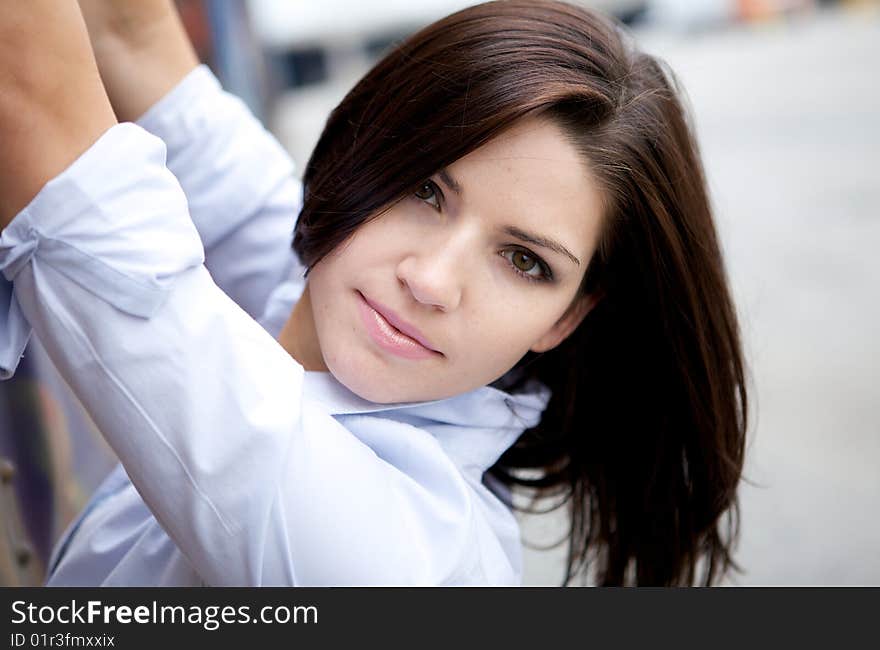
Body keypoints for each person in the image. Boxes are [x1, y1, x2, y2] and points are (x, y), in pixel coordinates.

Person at [0, 0, 748, 586]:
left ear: (567, 318)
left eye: (523, 261)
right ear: (358, 149)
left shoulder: (394, 562)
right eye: (424, 188)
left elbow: (32, 101)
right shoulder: (330, 305)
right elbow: (132, 38)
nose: (429, 280)